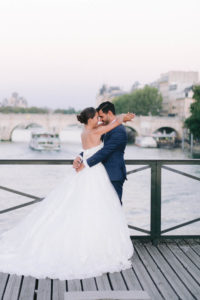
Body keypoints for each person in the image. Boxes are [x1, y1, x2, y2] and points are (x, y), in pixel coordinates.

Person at [0, 107, 135, 280]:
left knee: (78, 206)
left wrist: (80, 158)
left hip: (84, 170)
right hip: (93, 171)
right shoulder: (99, 130)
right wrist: (124, 117)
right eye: (97, 117)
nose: (99, 120)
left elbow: (88, 150)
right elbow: (111, 130)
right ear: (91, 119)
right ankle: (94, 245)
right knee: (98, 208)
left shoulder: (84, 132)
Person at [74, 101, 129, 204]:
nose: (100, 120)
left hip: (113, 175)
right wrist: (80, 156)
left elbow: (104, 151)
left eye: (101, 116)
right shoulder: (102, 129)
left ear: (109, 113)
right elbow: (92, 147)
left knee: (114, 206)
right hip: (98, 173)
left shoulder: (119, 130)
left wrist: (85, 164)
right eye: (97, 117)